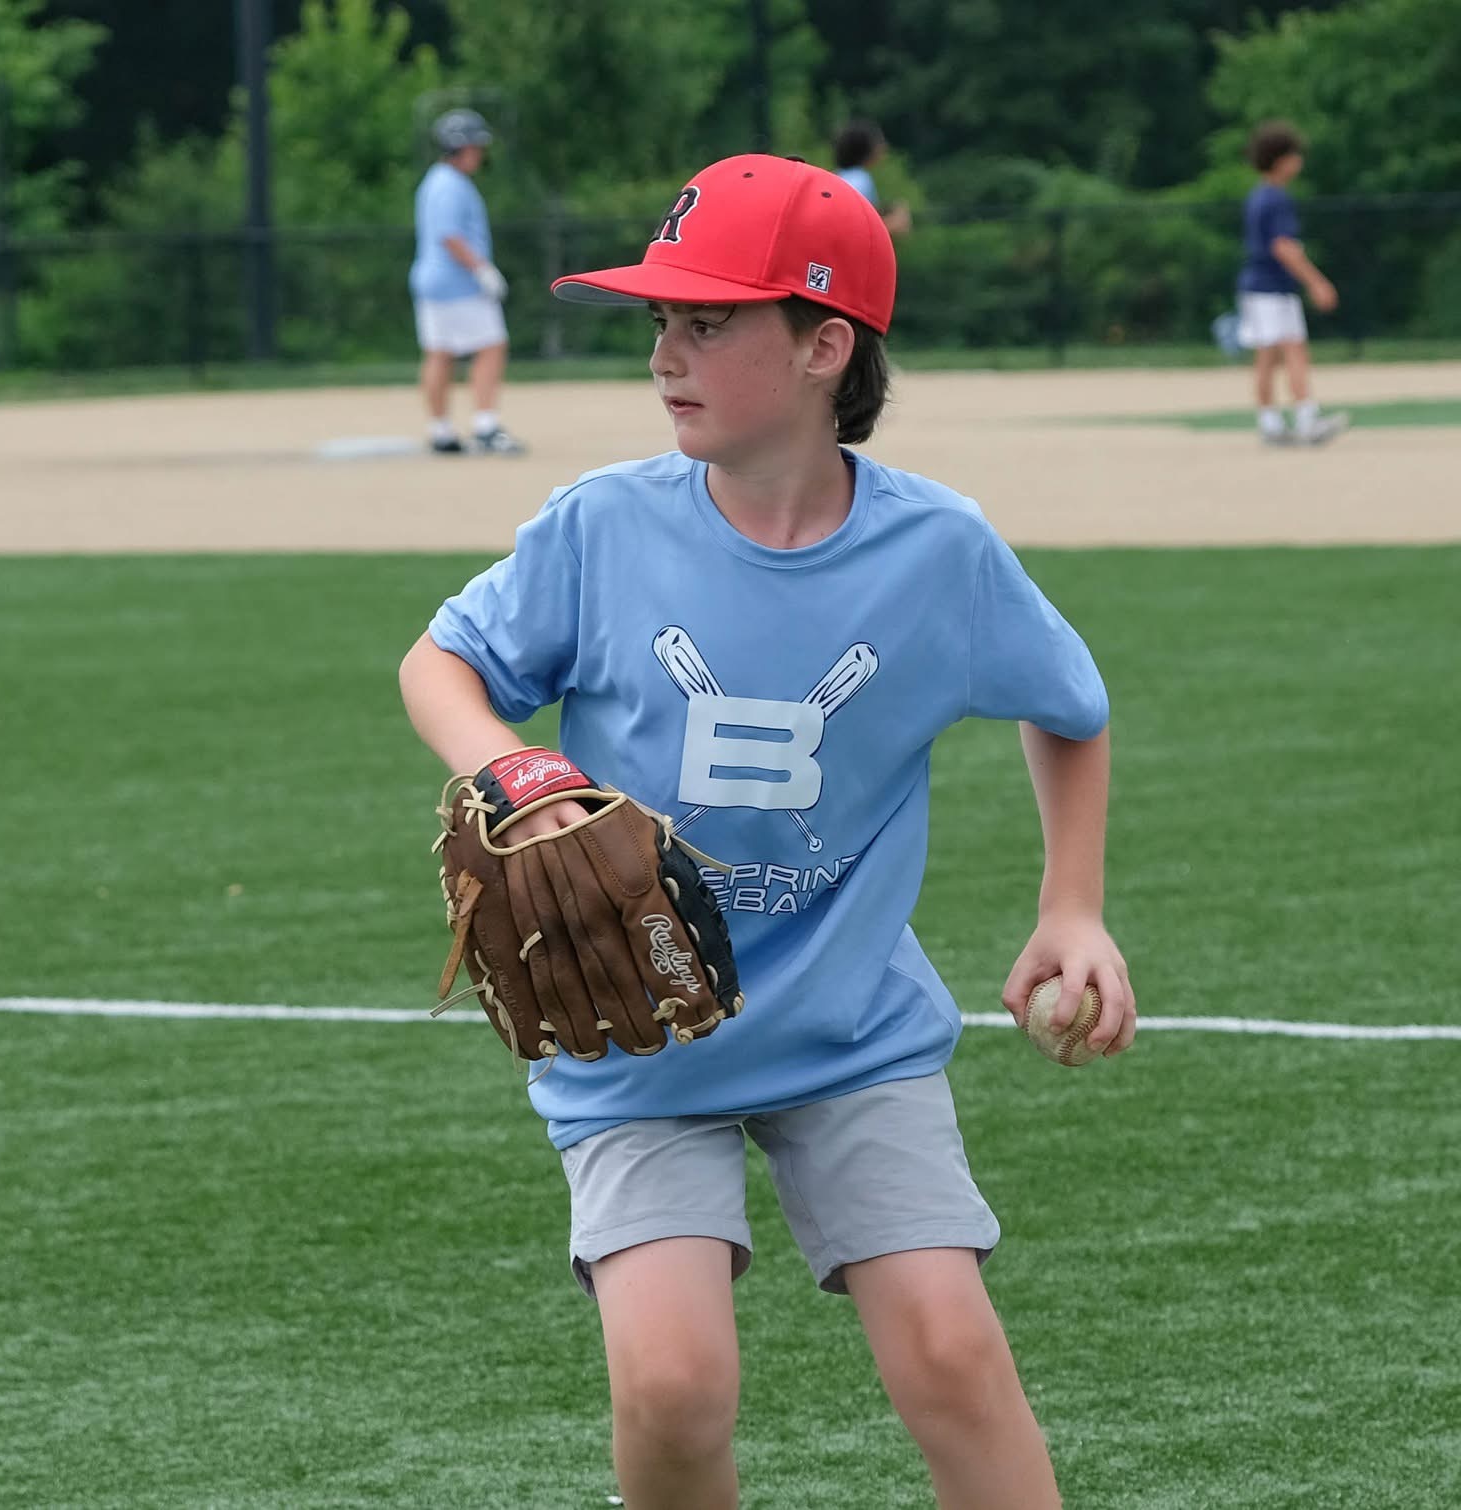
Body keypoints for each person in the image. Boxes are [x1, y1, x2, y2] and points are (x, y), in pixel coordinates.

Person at [398, 154, 1138, 1510]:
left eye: (706, 321)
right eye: (659, 322)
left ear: (822, 345)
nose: (664, 354)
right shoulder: (603, 526)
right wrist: (518, 769)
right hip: (637, 1023)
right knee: (674, 1385)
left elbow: (1068, 706)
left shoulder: (937, 551)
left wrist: (1071, 905)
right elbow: (439, 662)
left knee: (951, 1353)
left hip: (848, 1023)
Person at [410, 108, 525, 455]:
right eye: (475, 146)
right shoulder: (451, 184)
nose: (479, 153)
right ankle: (486, 426)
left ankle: (441, 431)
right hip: (458, 283)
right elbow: (450, 235)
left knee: (439, 353)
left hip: (433, 281)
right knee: (492, 346)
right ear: (458, 147)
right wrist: (481, 269)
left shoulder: (435, 180)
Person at [1237, 120, 1348, 446]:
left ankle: (1282, 421)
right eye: (1294, 155)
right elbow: (1283, 247)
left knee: (1276, 353)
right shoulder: (1274, 199)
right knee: (1282, 351)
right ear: (1280, 159)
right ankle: (1295, 420)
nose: (1299, 162)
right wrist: (1317, 282)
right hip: (1267, 288)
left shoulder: (1260, 196)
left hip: (1268, 288)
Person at [832, 118, 912, 234]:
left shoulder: (837, 175)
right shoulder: (861, 180)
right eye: (879, 142)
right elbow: (859, 229)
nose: (884, 147)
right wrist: (897, 221)